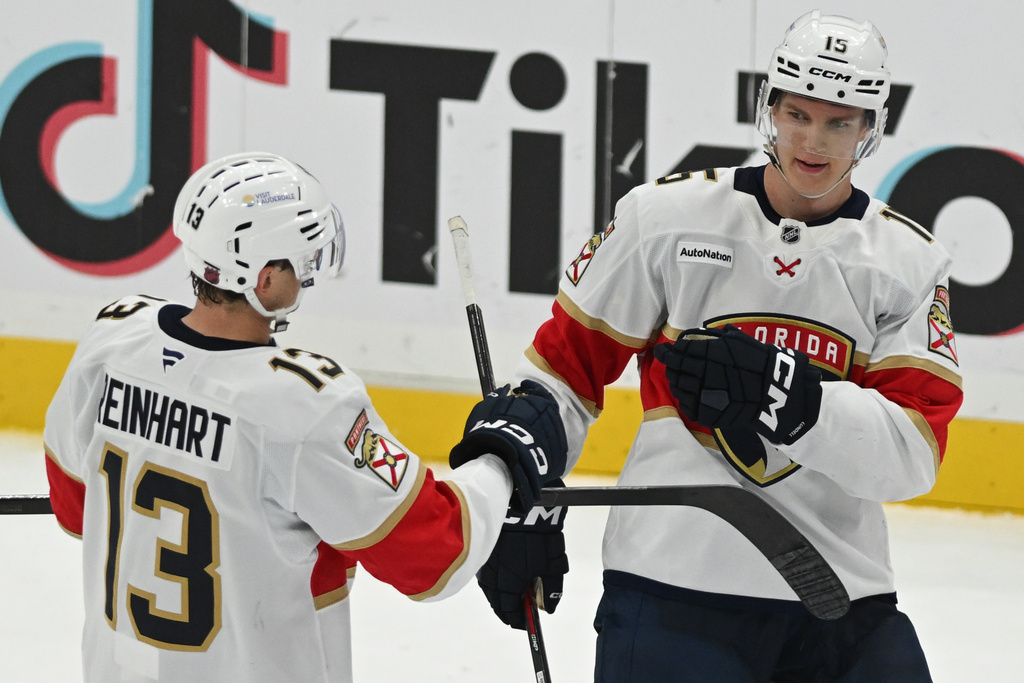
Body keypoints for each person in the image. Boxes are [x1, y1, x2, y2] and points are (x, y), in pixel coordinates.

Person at [476, 11, 963, 682]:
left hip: (837, 597)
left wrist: (795, 403)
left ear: (872, 128)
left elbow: (912, 455)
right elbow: (563, 374)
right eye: (797, 114)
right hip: (671, 585)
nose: (813, 140)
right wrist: (513, 481)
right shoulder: (663, 218)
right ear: (767, 107)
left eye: (839, 122)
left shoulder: (908, 261)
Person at [42, 152, 567, 682]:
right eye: (303, 260)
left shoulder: (112, 340)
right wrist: (499, 458)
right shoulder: (303, 404)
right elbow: (435, 556)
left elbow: (73, 507)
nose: (312, 271)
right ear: (265, 281)